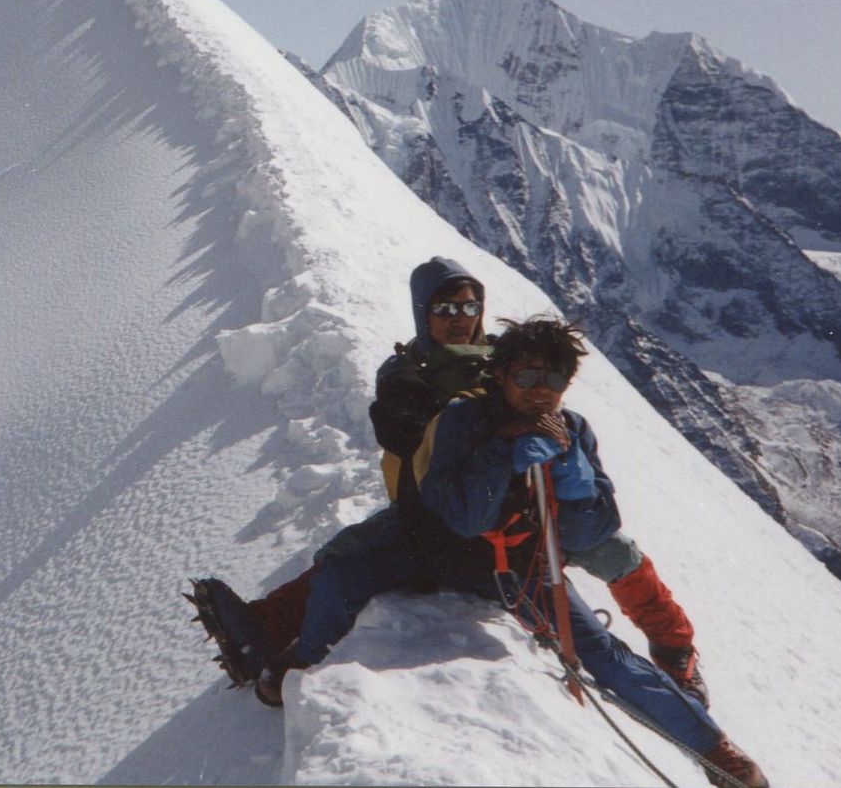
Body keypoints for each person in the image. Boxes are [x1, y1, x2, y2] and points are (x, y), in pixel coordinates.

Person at [263, 317, 767, 788]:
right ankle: (302, 659)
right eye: (527, 375)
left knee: (602, 654)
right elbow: (464, 516)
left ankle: (713, 748)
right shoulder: (463, 419)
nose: (540, 389)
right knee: (340, 575)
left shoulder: (571, 429)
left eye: (555, 376)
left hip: (520, 565)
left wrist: (572, 476)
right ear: (501, 374)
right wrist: (505, 450)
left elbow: (595, 528)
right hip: (432, 548)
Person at [194, 259, 706, 704]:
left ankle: (674, 647)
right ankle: (270, 631)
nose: (459, 320)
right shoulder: (406, 374)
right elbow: (409, 437)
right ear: (424, 312)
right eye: (446, 309)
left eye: (468, 309)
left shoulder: (501, 358)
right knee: (355, 552)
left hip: (528, 504)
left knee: (616, 550)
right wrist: (493, 431)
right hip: (441, 506)